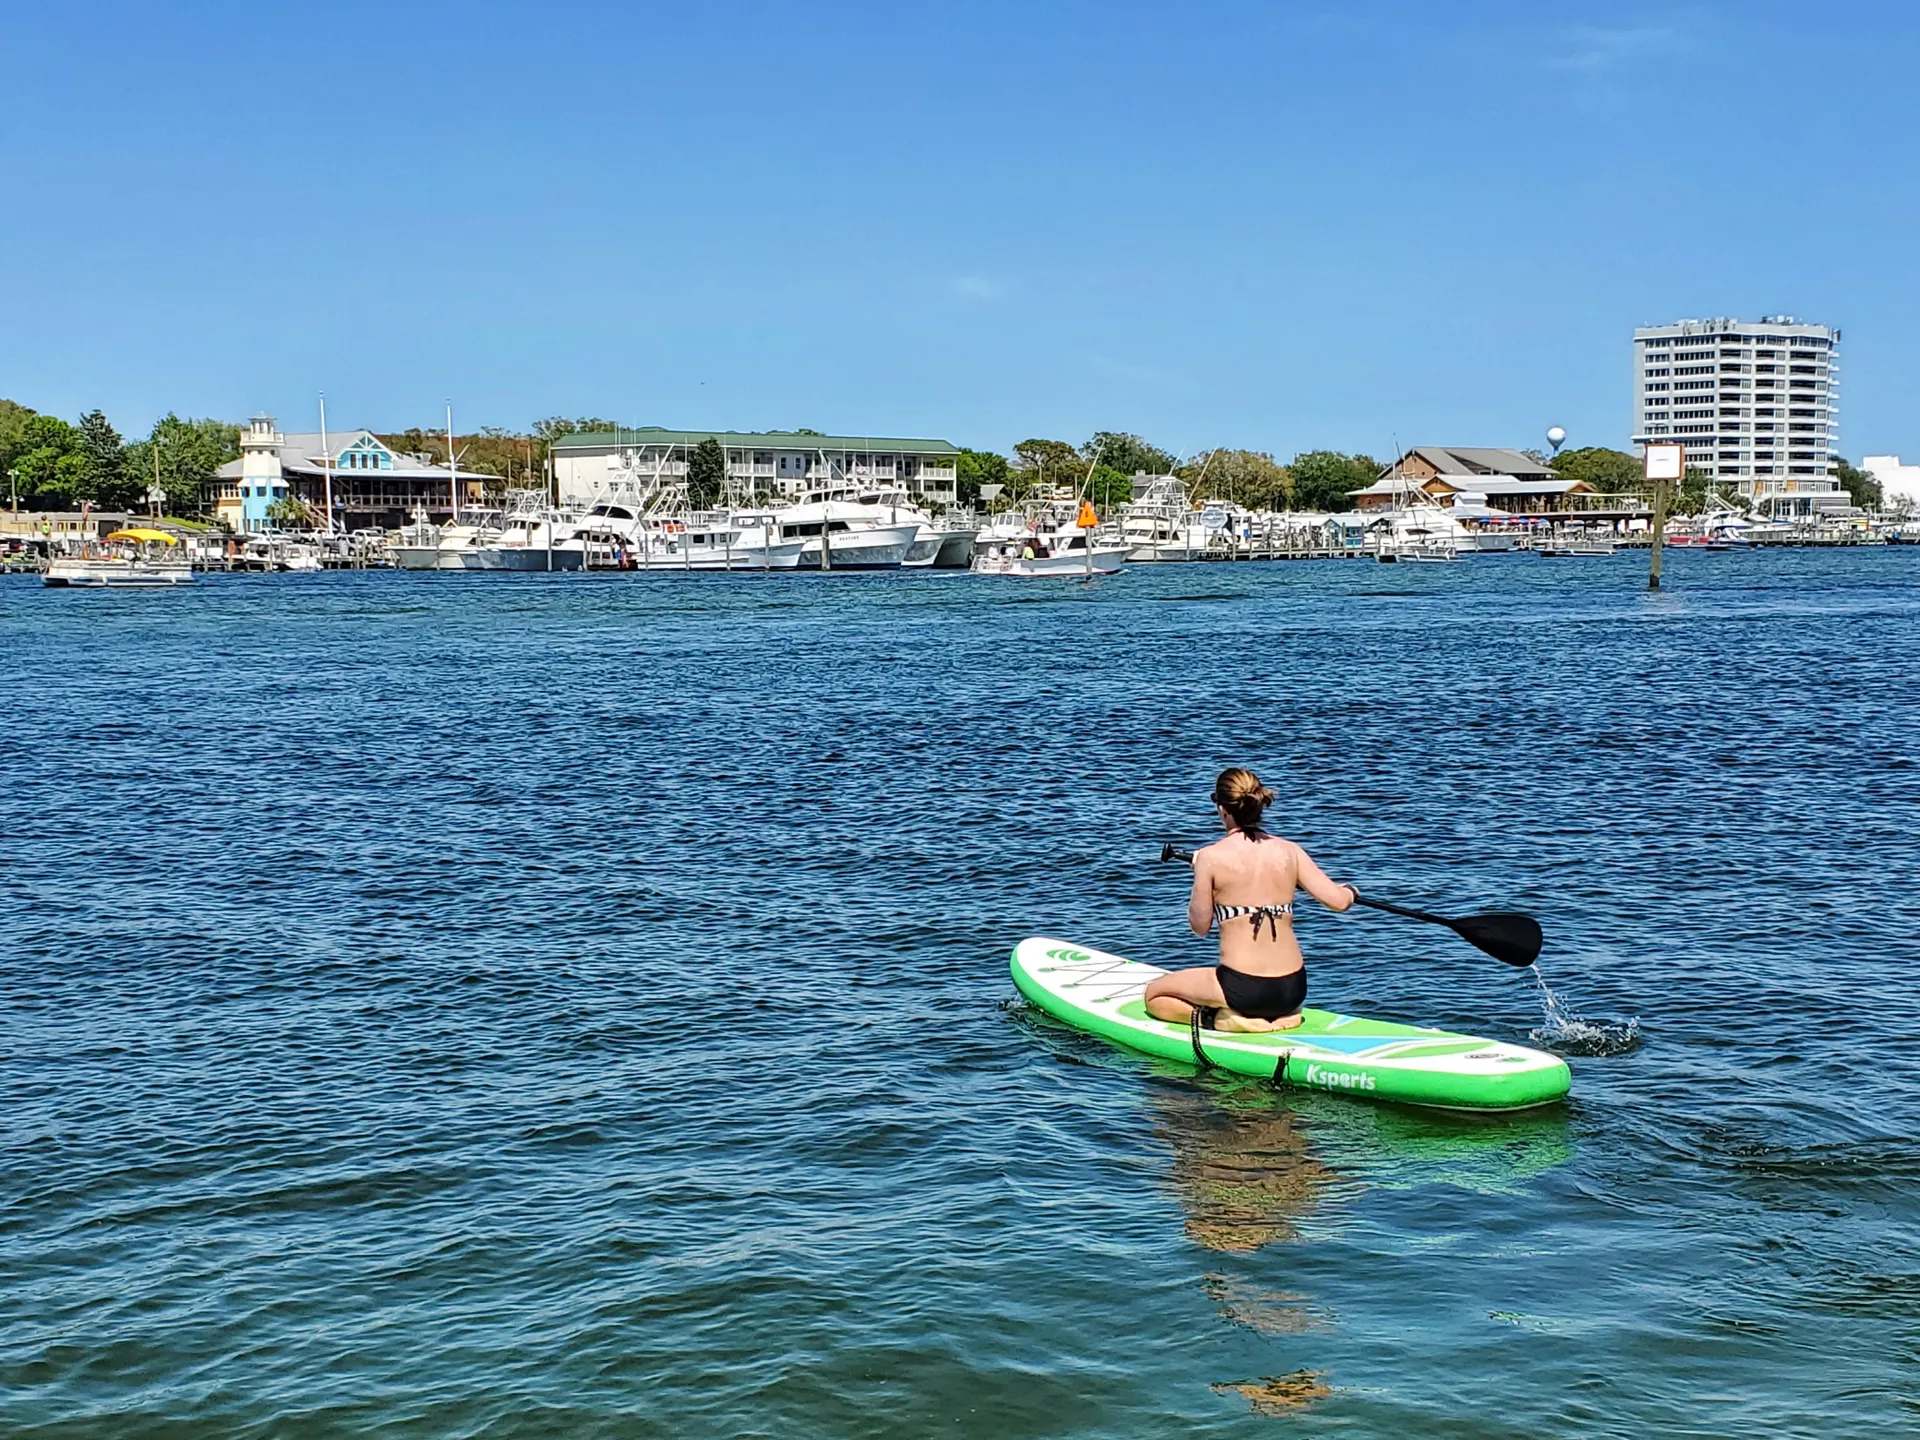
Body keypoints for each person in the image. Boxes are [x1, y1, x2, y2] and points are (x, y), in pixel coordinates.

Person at [1144, 767, 1357, 1033]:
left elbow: (1199, 927)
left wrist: (1201, 873)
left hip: (1243, 989)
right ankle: (1285, 1016)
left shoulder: (1210, 857)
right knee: (1271, 992)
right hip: (1293, 989)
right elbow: (1338, 901)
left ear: (1223, 809)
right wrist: (1351, 891)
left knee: (1155, 995)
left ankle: (1221, 1020)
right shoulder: (1290, 851)